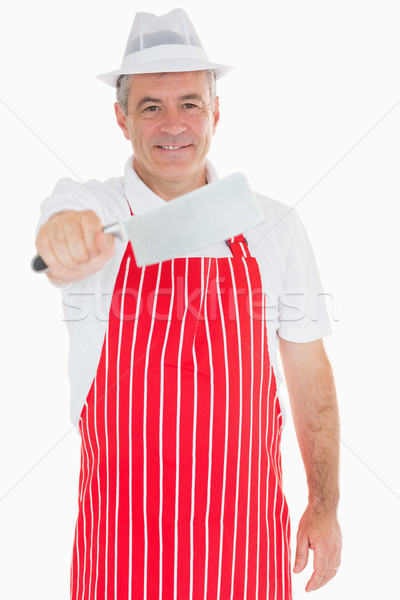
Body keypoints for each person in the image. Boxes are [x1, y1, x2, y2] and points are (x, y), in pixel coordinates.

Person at [34, 9, 342, 600]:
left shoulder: (272, 224)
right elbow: (59, 234)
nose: (172, 124)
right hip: (123, 551)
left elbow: (309, 374)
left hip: (245, 548)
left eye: (190, 104)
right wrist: (65, 241)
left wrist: (324, 506)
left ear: (216, 114)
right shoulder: (94, 208)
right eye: (151, 106)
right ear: (121, 119)